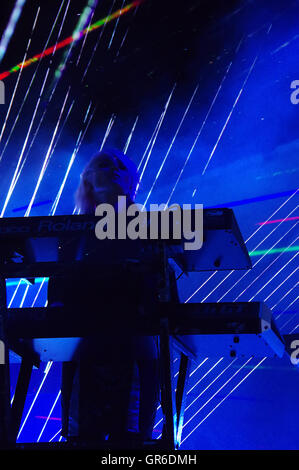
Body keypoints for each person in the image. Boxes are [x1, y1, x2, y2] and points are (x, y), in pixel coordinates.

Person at [47, 148, 179, 446]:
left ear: (133, 180)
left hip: (134, 344)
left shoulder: (151, 226)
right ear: (89, 181)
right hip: (87, 348)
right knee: (84, 439)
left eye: (122, 165)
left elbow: (165, 286)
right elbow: (57, 288)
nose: (115, 167)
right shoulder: (72, 234)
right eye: (105, 164)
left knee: (130, 441)